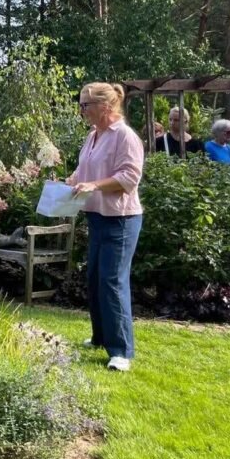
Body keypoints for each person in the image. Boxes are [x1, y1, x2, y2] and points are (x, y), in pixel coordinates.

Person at [66, 82, 144, 372]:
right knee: (95, 279)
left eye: (86, 104)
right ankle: (101, 337)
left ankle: (121, 350)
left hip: (121, 220)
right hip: (97, 216)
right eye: (81, 104)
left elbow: (129, 178)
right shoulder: (93, 135)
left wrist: (94, 185)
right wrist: (71, 181)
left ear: (106, 106)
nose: (82, 110)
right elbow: (84, 170)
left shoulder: (125, 136)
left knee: (112, 280)